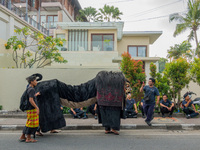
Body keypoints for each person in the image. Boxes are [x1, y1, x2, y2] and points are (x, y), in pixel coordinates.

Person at [96, 71, 126, 135]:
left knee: (106, 115)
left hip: (103, 101)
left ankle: (107, 129)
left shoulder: (103, 83)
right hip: (115, 101)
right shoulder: (119, 83)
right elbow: (124, 89)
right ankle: (113, 129)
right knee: (114, 116)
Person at [19, 75, 40, 143]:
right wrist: (37, 108)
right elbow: (31, 100)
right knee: (33, 124)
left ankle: (22, 136)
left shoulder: (29, 88)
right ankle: (28, 138)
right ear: (31, 82)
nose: (36, 82)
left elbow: (31, 97)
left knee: (29, 122)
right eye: (35, 81)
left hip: (29, 109)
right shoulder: (32, 89)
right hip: (32, 108)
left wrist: (36, 95)